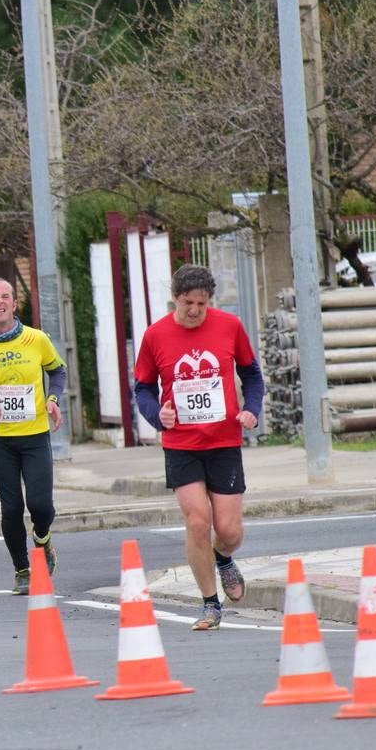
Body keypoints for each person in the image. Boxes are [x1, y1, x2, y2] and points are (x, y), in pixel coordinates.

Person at [133, 264, 264, 631]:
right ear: (175, 297)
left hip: (224, 440)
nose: (194, 310)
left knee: (229, 530)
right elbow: (141, 387)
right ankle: (210, 604)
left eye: (201, 304)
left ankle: (223, 557)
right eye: (188, 302)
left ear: (210, 301)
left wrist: (251, 409)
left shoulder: (229, 327)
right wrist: (157, 416)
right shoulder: (155, 336)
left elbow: (251, 374)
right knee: (197, 521)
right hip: (181, 443)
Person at [0, 278, 66, 596]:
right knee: (10, 508)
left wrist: (53, 400)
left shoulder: (36, 339)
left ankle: (43, 539)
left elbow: (57, 371)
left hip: (34, 434)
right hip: (0, 439)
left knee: (40, 505)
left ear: (14, 303)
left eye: (5, 296)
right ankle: (22, 571)